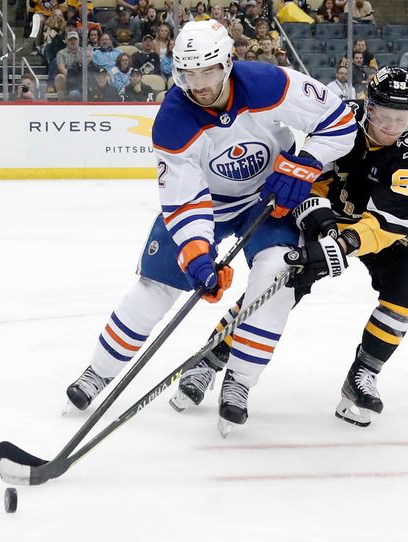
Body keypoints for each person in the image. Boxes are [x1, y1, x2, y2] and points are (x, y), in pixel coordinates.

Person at [63, 21, 357, 437]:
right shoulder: (173, 121)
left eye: (208, 72)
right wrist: (198, 254)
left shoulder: (268, 83)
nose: (199, 85)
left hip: (269, 195)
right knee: (157, 286)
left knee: (275, 276)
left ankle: (239, 382)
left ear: (228, 63)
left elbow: (339, 120)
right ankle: (99, 372)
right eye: (188, 74)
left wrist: (306, 161)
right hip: (210, 203)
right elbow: (184, 198)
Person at [172, 67, 408, 430]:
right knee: (277, 282)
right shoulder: (340, 122)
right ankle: (210, 359)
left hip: (382, 228)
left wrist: (344, 244)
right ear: (368, 108)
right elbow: (309, 182)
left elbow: (393, 218)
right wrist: (321, 224)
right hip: (331, 219)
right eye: (383, 116)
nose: (391, 127)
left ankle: (363, 374)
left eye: (402, 119)